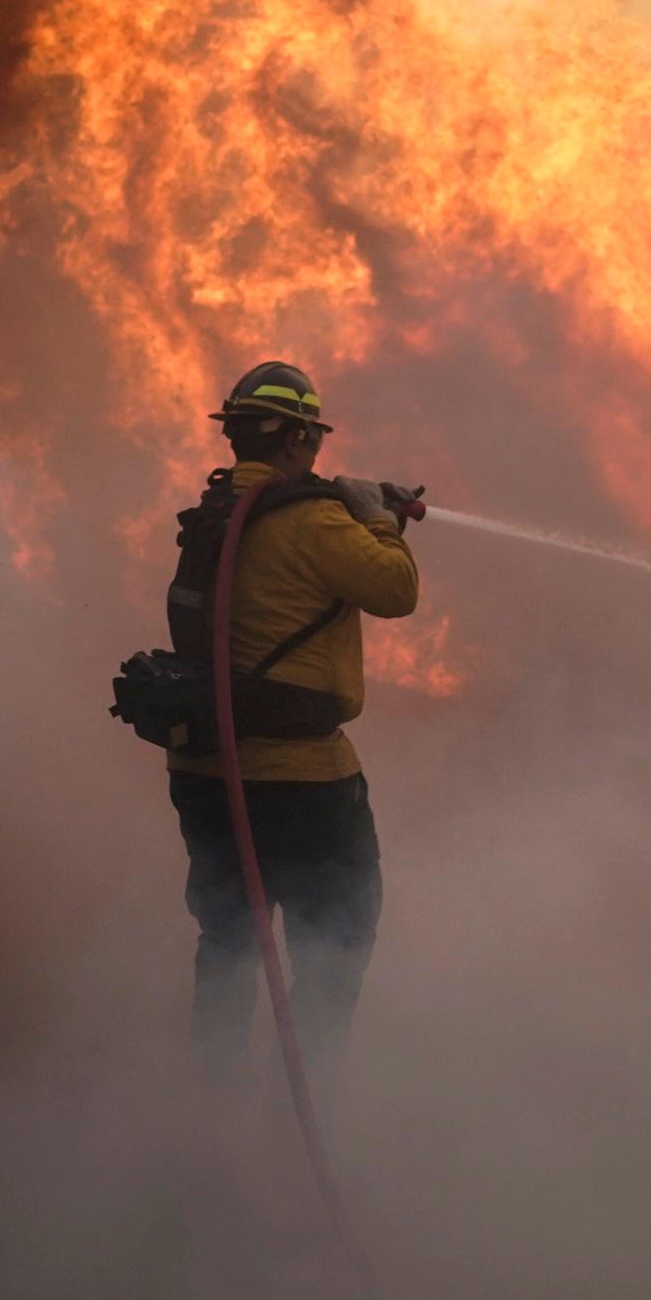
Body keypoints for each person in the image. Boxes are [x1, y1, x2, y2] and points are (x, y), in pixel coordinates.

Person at [168, 360, 422, 1075]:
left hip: (205, 769)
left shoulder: (215, 514)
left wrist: (364, 514)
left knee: (228, 938)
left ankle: (209, 1104)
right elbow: (394, 588)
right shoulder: (312, 520)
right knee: (338, 939)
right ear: (295, 440)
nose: (313, 455)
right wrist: (379, 519)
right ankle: (306, 1103)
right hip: (299, 781)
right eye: (310, 441)